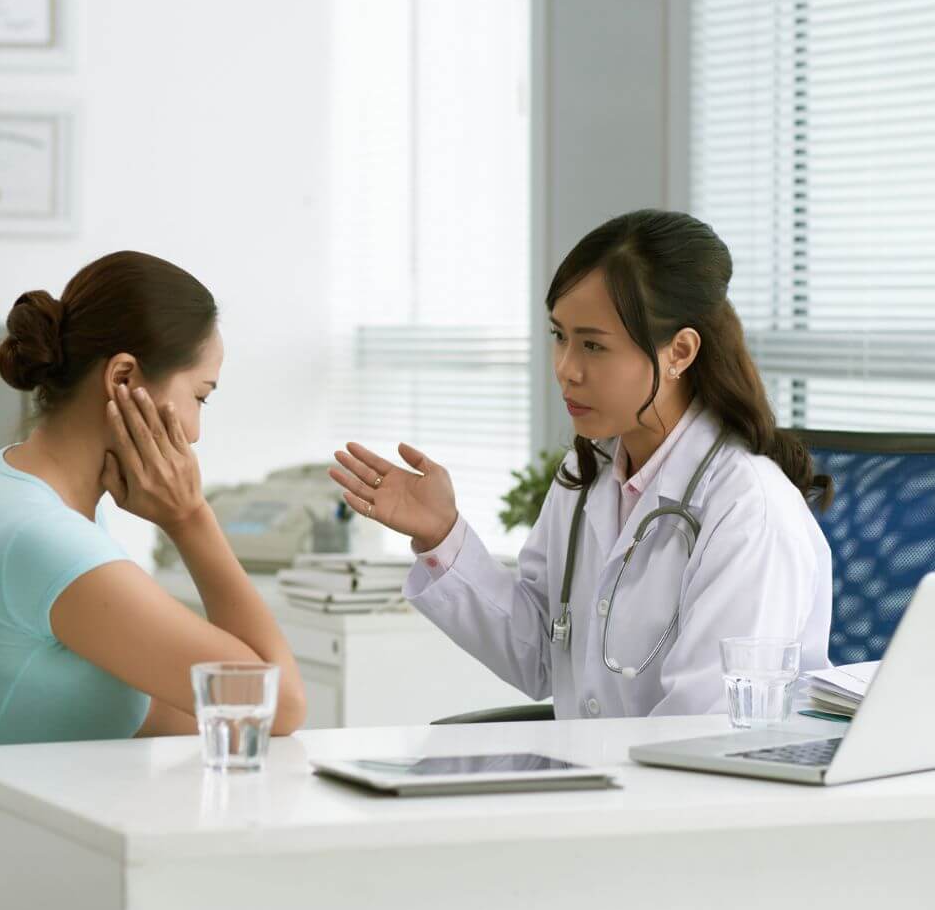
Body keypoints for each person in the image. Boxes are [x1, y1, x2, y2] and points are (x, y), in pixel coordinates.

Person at [0, 251, 306, 910]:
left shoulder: (23, 486)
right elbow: (278, 703)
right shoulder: (42, 539)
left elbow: (162, 703)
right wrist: (192, 519)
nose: (197, 431)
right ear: (123, 379)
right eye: (200, 397)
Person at [329, 209, 832, 719]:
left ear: (679, 351)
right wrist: (442, 536)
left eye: (593, 345)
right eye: (559, 336)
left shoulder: (748, 508)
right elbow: (539, 658)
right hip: (599, 779)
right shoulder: (591, 473)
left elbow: (704, 728)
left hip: (682, 789)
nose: (567, 369)